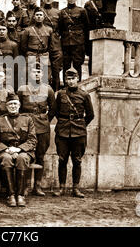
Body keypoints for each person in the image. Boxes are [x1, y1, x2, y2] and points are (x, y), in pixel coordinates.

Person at [53, 67, 94, 198]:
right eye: (68, 79)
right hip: (63, 132)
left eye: (73, 79)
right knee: (62, 160)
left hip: (79, 133)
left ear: (78, 79)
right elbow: (57, 112)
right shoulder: (60, 94)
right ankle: (62, 188)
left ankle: (75, 188)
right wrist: (65, 121)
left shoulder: (84, 95)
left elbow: (90, 115)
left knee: (77, 161)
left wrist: (80, 124)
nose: (70, 82)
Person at [17, 62, 55, 196]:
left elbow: (53, 109)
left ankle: (37, 186)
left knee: (40, 155)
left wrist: (44, 120)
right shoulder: (22, 88)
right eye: (34, 72)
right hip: (26, 126)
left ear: (43, 74)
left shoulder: (48, 89)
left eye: (39, 72)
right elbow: (18, 107)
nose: (37, 74)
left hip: (42, 127)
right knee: (26, 154)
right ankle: (26, 185)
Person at [0, 93, 37, 207]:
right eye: (10, 104)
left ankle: (20, 195)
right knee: (6, 160)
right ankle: (11, 195)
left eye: (15, 104)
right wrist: (7, 149)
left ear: (19, 105)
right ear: (6, 106)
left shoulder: (27, 120)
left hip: (23, 151)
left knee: (22, 159)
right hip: (5, 151)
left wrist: (19, 149)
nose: (13, 106)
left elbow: (32, 140)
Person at [58, 0, 90, 82]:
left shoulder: (82, 11)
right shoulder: (62, 12)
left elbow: (86, 27)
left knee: (77, 64)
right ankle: (65, 85)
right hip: (66, 42)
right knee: (66, 64)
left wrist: (86, 44)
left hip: (78, 42)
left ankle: (78, 84)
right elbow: (60, 28)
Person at [20, 7, 54, 83]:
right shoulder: (28, 30)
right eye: (37, 15)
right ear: (34, 17)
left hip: (44, 55)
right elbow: (23, 46)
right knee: (29, 76)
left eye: (40, 15)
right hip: (31, 55)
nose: (39, 17)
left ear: (44, 17)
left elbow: (51, 45)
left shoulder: (49, 30)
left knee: (45, 77)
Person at [41, 0, 63, 91]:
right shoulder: (39, 11)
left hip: (55, 42)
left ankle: (56, 92)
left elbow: (63, 28)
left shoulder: (58, 12)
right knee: (43, 68)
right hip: (42, 41)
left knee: (55, 69)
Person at [84, 0, 104, 76]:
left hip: (102, 32)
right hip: (91, 33)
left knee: (102, 55)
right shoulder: (88, 4)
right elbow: (85, 21)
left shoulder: (107, 3)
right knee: (92, 56)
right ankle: (91, 75)